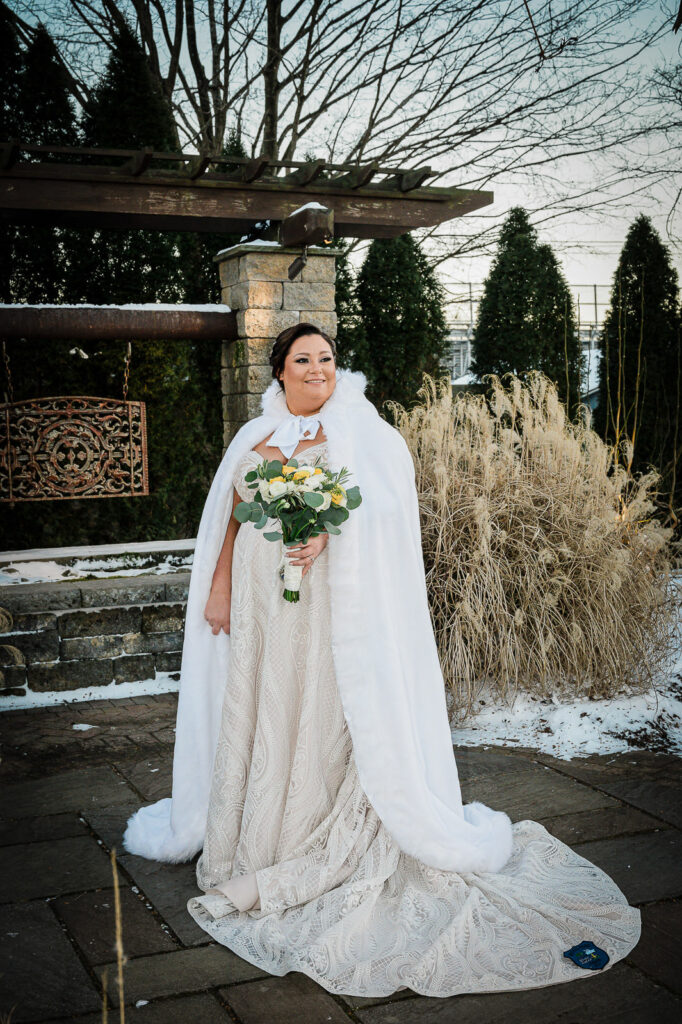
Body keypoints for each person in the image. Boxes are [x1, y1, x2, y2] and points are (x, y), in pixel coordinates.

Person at [123, 322, 640, 998]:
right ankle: (259, 834)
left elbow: (385, 522)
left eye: (327, 358)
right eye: (302, 359)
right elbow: (233, 510)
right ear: (278, 371)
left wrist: (326, 543)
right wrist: (219, 585)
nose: (317, 368)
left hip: (328, 612)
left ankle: (315, 838)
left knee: (318, 711)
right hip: (258, 603)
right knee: (260, 703)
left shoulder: (366, 435)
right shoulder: (252, 439)